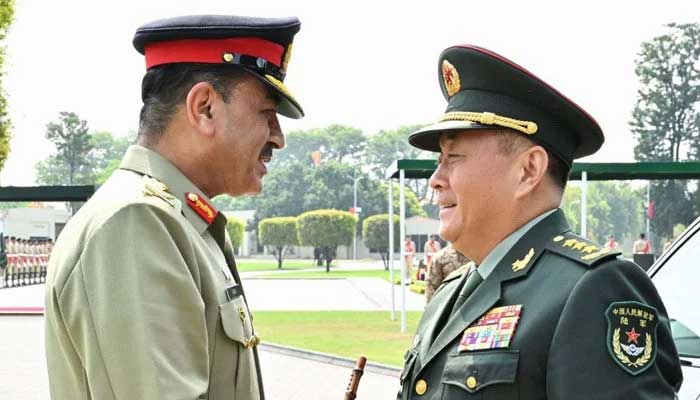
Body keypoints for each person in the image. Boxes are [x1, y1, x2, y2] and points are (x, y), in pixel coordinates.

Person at [398, 45, 682, 399]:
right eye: (439, 160)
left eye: (453, 157)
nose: (435, 179)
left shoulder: (592, 290)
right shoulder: (450, 293)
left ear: (528, 170)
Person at [44, 15, 303, 400]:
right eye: (267, 114)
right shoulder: (135, 222)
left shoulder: (178, 221)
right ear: (204, 108)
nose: (278, 138)